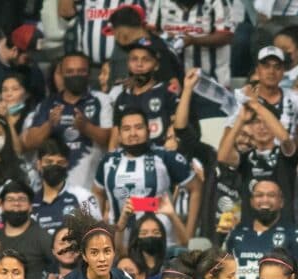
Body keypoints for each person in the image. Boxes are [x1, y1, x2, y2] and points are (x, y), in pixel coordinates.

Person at [95, 108, 200, 244]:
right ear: (119, 135)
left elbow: (196, 188)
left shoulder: (166, 157)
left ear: (149, 131)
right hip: (120, 244)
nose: (133, 133)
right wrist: (96, 225)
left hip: (162, 241)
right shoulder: (107, 161)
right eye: (127, 129)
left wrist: (188, 232)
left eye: (138, 127)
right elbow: (96, 192)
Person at [23, 52, 112, 191]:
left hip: (88, 193)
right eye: (70, 72)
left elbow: (109, 139)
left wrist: (86, 127)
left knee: (84, 214)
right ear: (62, 75)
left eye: (81, 71)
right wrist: (49, 125)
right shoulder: (47, 104)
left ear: (89, 73)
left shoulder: (102, 100)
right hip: (54, 192)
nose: (75, 75)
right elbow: (29, 142)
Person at [224, 179, 298, 279]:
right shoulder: (236, 233)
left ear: (281, 202)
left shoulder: (294, 235)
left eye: (271, 195)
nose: (265, 200)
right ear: (251, 201)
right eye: (259, 195)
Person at [107, 38, 181, 146]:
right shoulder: (122, 98)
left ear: (156, 65)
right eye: (134, 59)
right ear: (128, 63)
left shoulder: (167, 92)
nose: (139, 64)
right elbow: (115, 138)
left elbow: (177, 126)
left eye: (146, 60)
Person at [148, 0, 234, 84]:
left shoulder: (219, 1)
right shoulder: (161, 2)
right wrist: (165, 36)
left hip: (211, 78)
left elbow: (227, 36)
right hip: (172, 77)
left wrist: (194, 40)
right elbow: (150, 31)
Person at [105, 4, 184, 90]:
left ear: (124, 30)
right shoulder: (137, 43)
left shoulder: (156, 47)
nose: (115, 36)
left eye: (115, 31)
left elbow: (174, 85)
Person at [32, 138, 100, 236]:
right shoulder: (31, 202)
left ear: (67, 164)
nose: (54, 166)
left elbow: (96, 232)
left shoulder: (83, 198)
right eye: (49, 162)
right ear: (38, 164)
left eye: (60, 163)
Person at [0, 181, 55, 279]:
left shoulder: (42, 237)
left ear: (30, 206)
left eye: (22, 199)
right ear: (2, 206)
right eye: (10, 199)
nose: (16, 203)